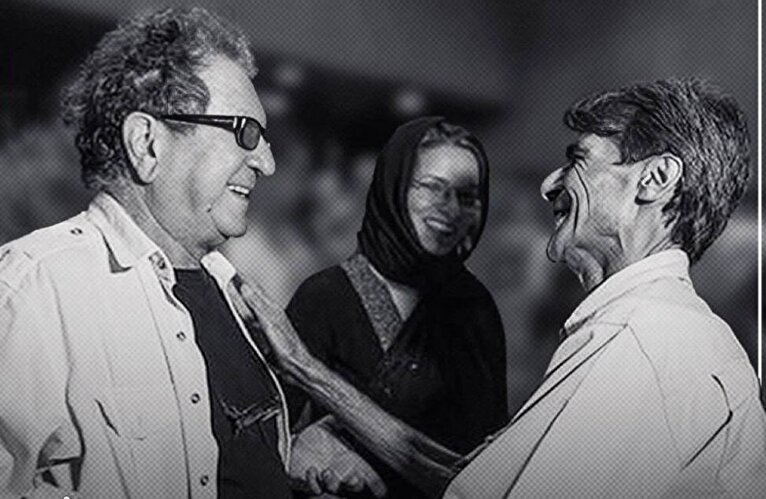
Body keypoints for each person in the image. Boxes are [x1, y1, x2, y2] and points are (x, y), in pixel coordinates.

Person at [237, 78, 766, 498]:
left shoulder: (640, 343)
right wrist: (304, 371)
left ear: (654, 180)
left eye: (579, 159)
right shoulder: (669, 332)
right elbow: (480, 483)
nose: (549, 184)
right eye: (431, 188)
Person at [0, 7, 375, 498]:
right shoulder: (34, 289)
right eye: (245, 132)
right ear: (147, 144)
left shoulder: (228, 288)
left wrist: (282, 459)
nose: (266, 161)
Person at [285, 117, 507, 498]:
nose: (451, 209)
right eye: (432, 187)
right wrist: (308, 457)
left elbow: (494, 451)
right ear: (394, 188)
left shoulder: (475, 307)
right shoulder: (325, 297)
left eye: (468, 196)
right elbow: (270, 434)